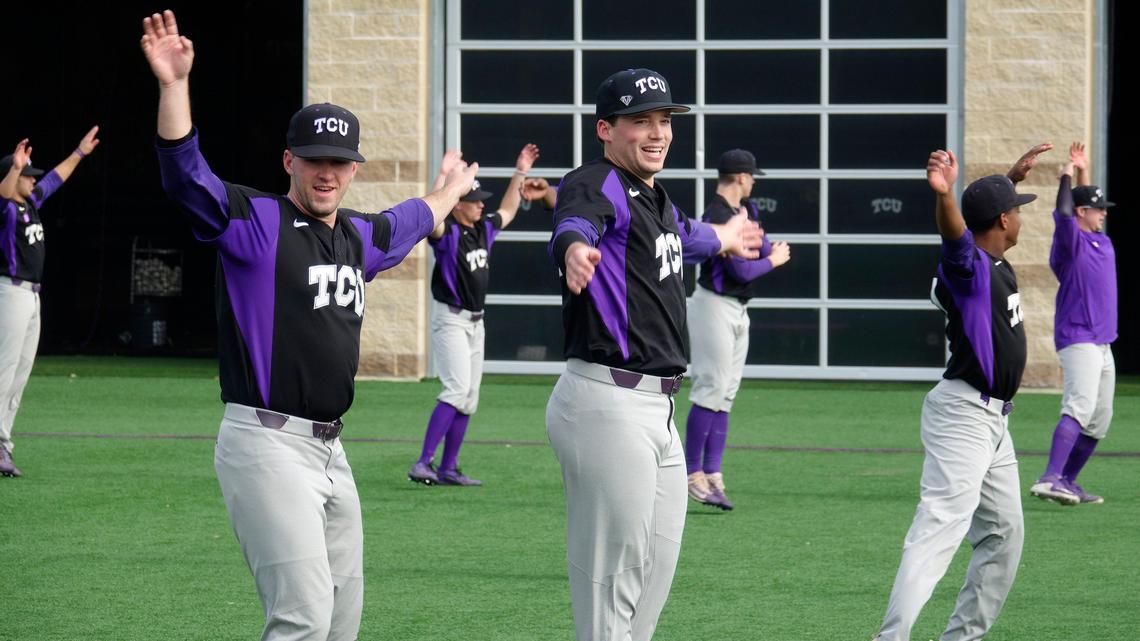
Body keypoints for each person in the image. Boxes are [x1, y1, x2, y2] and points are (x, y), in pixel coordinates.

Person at [140, 11, 476, 640]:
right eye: (315, 159)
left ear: (355, 168)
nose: (328, 173)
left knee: (342, 618)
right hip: (265, 444)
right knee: (301, 617)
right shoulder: (256, 222)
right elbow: (186, 178)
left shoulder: (358, 235)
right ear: (289, 161)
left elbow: (412, 219)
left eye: (341, 162)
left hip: (330, 450)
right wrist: (173, 86)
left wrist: (447, 193)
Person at [545, 68, 762, 641]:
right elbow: (575, 219)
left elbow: (685, 234)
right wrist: (573, 249)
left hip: (656, 408)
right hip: (605, 401)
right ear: (605, 130)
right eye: (640, 120)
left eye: (664, 120)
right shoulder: (597, 182)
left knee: (656, 567)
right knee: (613, 577)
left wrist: (725, 239)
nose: (657, 132)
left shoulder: (653, 195)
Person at [872, 143, 1050, 641]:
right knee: (941, 527)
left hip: (995, 423)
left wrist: (1010, 178)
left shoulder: (992, 259)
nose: (1021, 218)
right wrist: (945, 195)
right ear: (1000, 221)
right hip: (965, 415)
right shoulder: (968, 269)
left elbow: (977, 220)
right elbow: (955, 235)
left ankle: (962, 637)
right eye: (1015, 211)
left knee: (1005, 534)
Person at [408, 143, 540, 486]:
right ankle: (423, 462)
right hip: (451, 318)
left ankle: (449, 468)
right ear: (457, 204)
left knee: (468, 397)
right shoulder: (447, 232)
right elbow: (430, 214)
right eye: (475, 198)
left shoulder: (483, 228)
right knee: (455, 390)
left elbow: (509, 209)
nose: (482, 203)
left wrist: (520, 170)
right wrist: (442, 177)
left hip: (475, 322)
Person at [684, 148, 791, 510]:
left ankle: (713, 473)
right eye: (752, 175)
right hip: (713, 304)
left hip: (737, 308)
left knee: (725, 393)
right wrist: (773, 259)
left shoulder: (746, 211)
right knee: (709, 389)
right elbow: (743, 269)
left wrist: (763, 253)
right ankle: (691, 473)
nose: (755, 181)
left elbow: (757, 253)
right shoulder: (716, 214)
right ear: (741, 177)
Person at [0, 128, 100, 478]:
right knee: (4, 369)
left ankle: (3, 444)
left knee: (21, 373)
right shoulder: (6, 207)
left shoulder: (30, 203)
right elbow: (4, 192)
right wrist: (14, 167)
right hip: (9, 292)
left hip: (32, 296)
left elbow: (56, 178)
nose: (32, 180)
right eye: (27, 175)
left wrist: (80, 151)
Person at [1030, 141, 1117, 506]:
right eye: (1097, 210)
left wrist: (1083, 170)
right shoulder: (1071, 244)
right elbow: (1066, 211)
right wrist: (1065, 176)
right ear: (1082, 212)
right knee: (1078, 408)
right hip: (1078, 336)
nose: (1103, 214)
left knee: (1100, 420)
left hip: (1102, 341)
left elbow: (1083, 201)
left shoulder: (1100, 240)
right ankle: (1049, 477)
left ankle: (1067, 480)